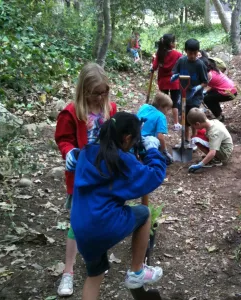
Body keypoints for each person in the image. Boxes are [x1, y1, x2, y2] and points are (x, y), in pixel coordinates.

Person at [71, 112, 166, 300]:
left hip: (81, 229)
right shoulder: (120, 160)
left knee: (94, 275)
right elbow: (153, 175)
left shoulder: (86, 152)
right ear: (127, 138)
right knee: (144, 214)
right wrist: (153, 150)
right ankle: (137, 271)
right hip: (102, 224)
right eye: (134, 141)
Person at [55, 63, 117, 297]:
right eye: (96, 93)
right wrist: (69, 152)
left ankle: (97, 261)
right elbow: (63, 139)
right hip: (81, 177)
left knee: (102, 217)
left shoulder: (110, 107)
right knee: (77, 224)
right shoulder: (72, 112)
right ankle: (68, 272)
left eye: (104, 92)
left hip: (104, 174)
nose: (100, 97)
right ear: (84, 91)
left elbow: (112, 138)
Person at [171, 39, 208, 150]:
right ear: (185, 51)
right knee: (184, 118)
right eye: (190, 53)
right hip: (183, 95)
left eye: (195, 53)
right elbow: (175, 72)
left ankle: (194, 140)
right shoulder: (182, 61)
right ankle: (185, 140)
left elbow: (205, 82)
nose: (192, 56)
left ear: (198, 52)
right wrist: (175, 76)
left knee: (193, 118)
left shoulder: (200, 64)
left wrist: (197, 88)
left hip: (195, 96)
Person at [152, 34, 183, 131]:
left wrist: (152, 65)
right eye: (174, 41)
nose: (175, 43)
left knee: (163, 102)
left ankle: (161, 121)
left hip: (163, 81)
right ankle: (176, 123)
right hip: (174, 81)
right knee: (175, 102)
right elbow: (183, 64)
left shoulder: (160, 53)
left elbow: (154, 66)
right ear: (171, 44)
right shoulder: (178, 54)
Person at [137, 92, 174, 165]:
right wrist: (164, 151)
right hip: (147, 142)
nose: (167, 112)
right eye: (167, 109)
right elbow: (160, 136)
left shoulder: (144, 107)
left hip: (134, 137)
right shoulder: (161, 116)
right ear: (161, 107)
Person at [199, 57, 237, 122]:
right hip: (233, 90)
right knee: (210, 95)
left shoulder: (208, 75)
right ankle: (220, 114)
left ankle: (219, 117)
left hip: (230, 93)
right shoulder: (214, 70)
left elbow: (203, 86)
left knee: (206, 99)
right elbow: (214, 85)